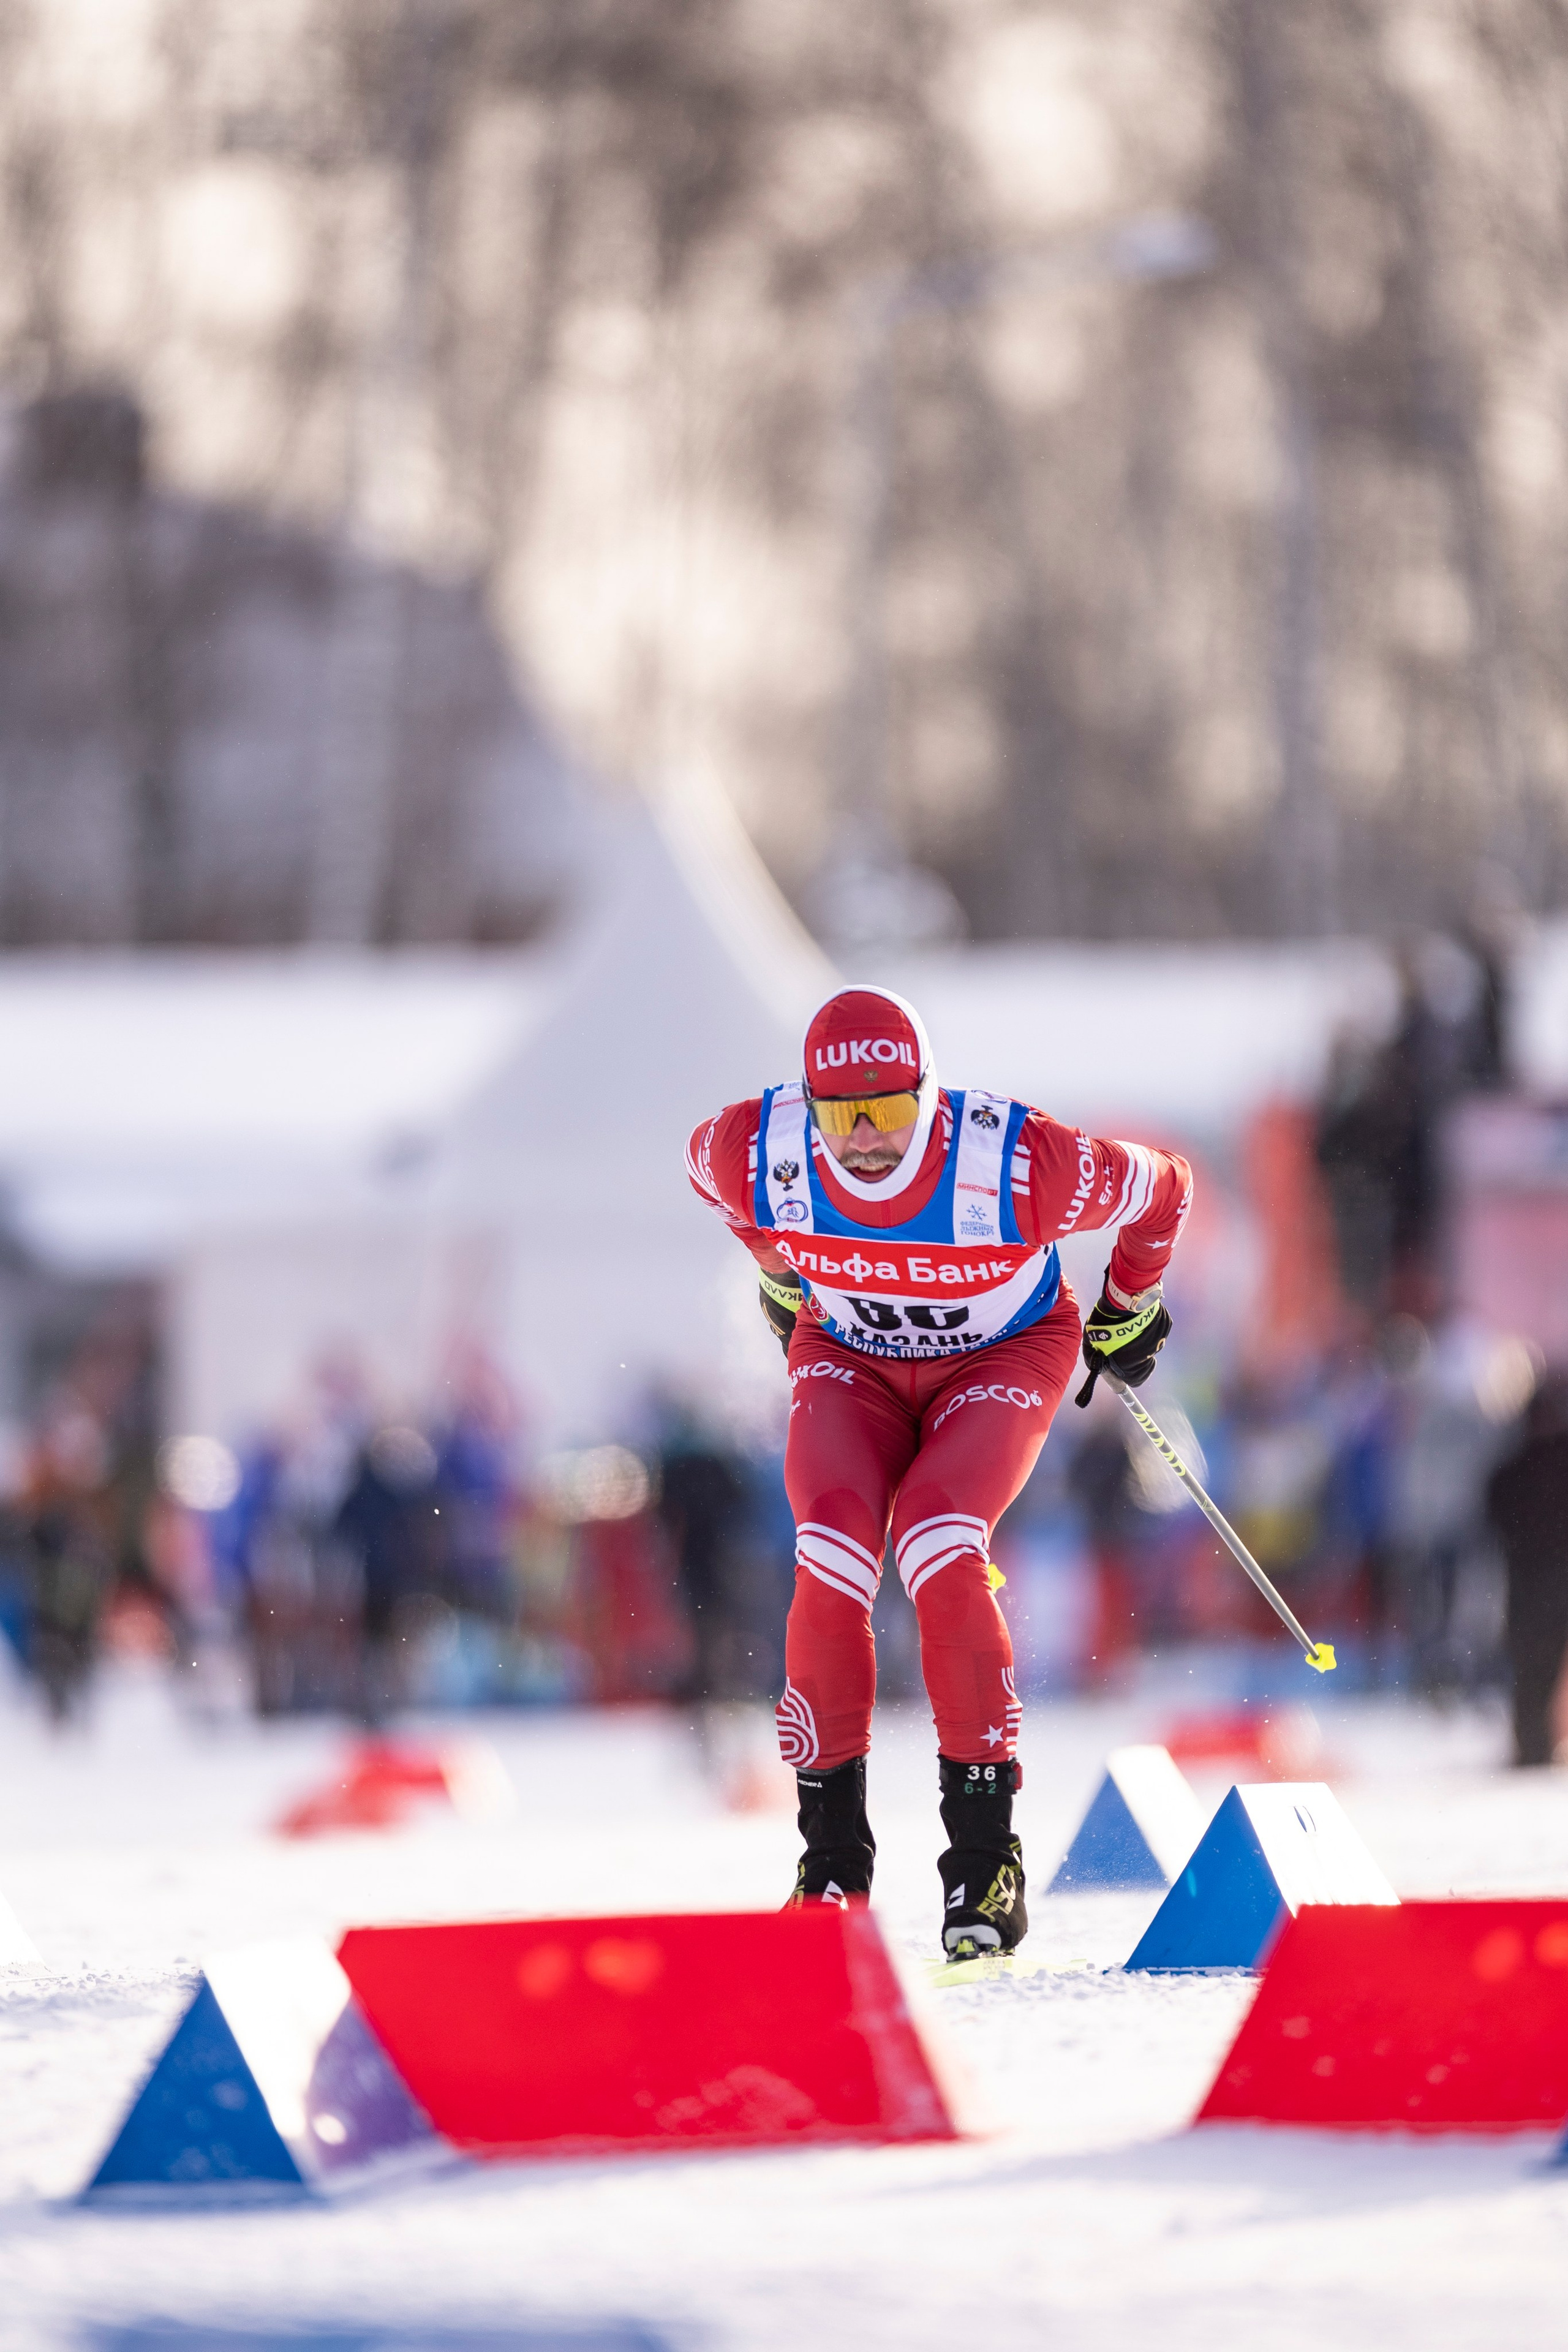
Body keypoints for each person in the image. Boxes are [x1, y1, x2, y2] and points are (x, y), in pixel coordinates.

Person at [686, 984, 1191, 1958]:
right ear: (807, 1104)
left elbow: (1164, 1185)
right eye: (843, 1115)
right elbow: (710, 1183)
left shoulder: (1014, 1161)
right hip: (853, 1362)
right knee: (829, 1558)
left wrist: (1129, 1304)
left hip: (999, 1358)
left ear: (929, 1092)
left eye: (890, 1109)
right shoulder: (756, 1150)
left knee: (937, 1542)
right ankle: (831, 1866)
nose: (868, 1137)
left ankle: (985, 1867)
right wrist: (780, 1275)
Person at [1485, 1376, 1568, 1768]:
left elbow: (1492, 1518)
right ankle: (1533, 1747)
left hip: (1530, 1588)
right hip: (1535, 1586)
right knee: (1533, 1673)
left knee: (1532, 1673)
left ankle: (1532, 1748)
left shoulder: (1511, 1468)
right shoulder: (1514, 1469)